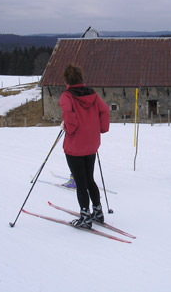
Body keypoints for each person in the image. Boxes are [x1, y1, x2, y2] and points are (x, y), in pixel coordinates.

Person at [59, 64, 110, 229]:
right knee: (89, 179)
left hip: (75, 146)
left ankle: (85, 216)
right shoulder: (92, 94)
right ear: (81, 78)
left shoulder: (67, 96)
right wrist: (102, 128)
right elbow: (105, 110)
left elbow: (68, 114)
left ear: (67, 80)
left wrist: (69, 127)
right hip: (91, 144)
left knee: (80, 183)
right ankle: (98, 212)